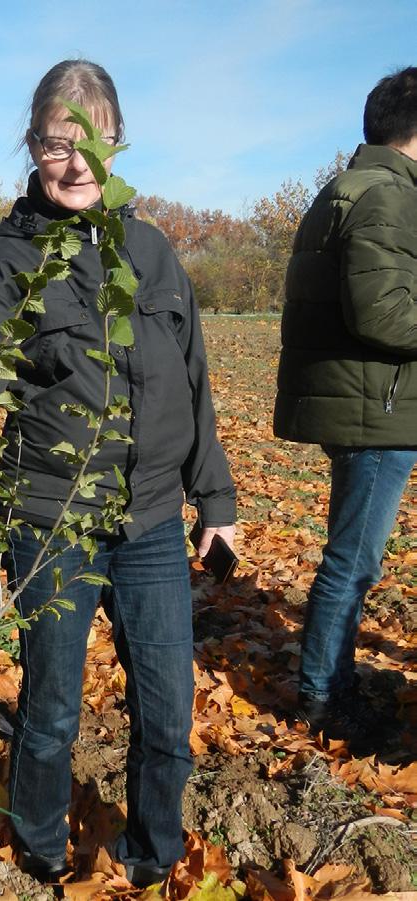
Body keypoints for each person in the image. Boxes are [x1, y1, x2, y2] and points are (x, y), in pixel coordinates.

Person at [0, 60, 236, 887]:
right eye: (56, 143)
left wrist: (214, 499)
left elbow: (192, 378)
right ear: (33, 146)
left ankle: (152, 851)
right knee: (50, 706)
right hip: (52, 518)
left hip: (152, 517)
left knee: (167, 709)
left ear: (118, 142)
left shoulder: (151, 251)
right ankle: (41, 840)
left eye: (94, 141)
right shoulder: (6, 263)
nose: (77, 163)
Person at [273, 66, 417, 751]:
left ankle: (332, 684)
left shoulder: (347, 187)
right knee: (353, 561)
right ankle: (325, 699)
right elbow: (385, 313)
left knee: (350, 556)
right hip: (376, 409)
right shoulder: (389, 196)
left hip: (359, 402)